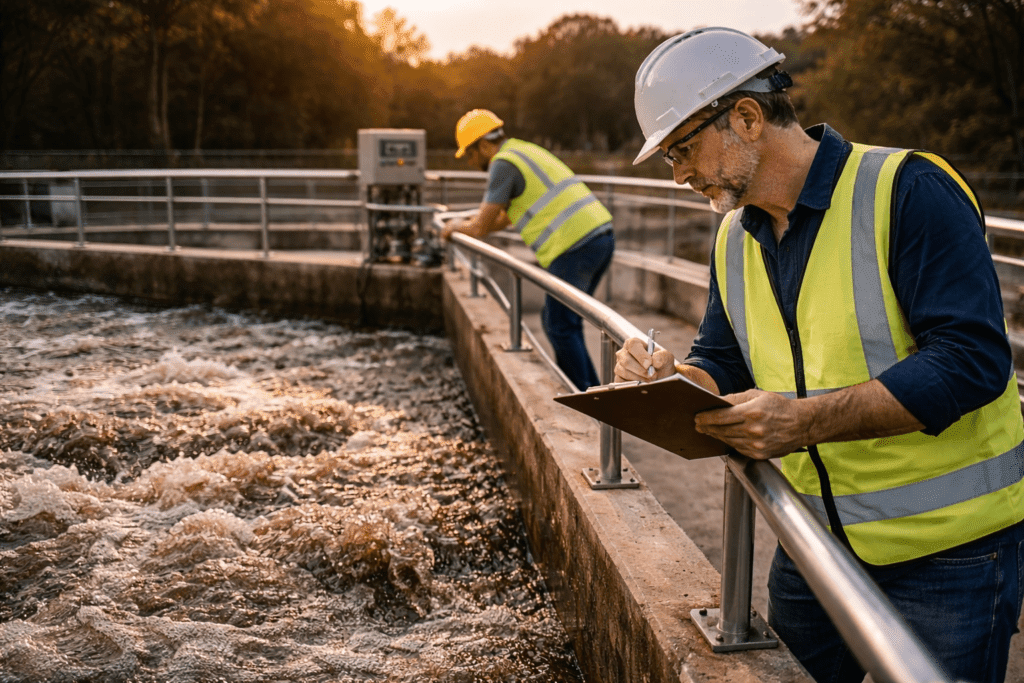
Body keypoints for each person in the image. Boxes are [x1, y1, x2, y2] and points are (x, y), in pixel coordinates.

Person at [614, 27, 1024, 683]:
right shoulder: (733, 239)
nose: (680, 172)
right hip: (814, 545)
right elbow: (722, 359)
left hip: (952, 554)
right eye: (669, 158)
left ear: (746, 117)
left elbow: (970, 361)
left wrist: (803, 421)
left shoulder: (908, 191)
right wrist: (670, 377)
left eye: (683, 148)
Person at [442, 109, 615, 391]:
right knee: (563, 322)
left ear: (484, 145)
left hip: (574, 245)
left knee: (559, 324)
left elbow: (481, 226)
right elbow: (504, 218)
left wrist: (453, 227)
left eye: (471, 154)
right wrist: (469, 224)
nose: (472, 162)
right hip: (599, 237)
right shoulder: (522, 151)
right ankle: (589, 390)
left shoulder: (503, 163)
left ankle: (587, 395)